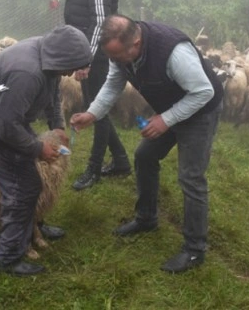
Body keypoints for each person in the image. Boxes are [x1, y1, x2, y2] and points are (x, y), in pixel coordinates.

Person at [70, 14, 224, 274]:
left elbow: (203, 91)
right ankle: (146, 218)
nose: (116, 62)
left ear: (136, 42)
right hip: (171, 108)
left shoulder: (173, 51)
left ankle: (195, 250)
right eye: (112, 57)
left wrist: (166, 120)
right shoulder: (121, 53)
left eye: (118, 56)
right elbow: (113, 84)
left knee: (191, 177)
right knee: (144, 156)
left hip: (200, 111)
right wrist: (92, 113)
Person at [0, 26, 91, 276]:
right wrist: (38, 148)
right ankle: (7, 257)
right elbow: (5, 126)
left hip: (4, 117)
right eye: (71, 65)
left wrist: (58, 126)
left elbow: (52, 96)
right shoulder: (27, 72)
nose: (72, 72)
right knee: (21, 184)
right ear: (61, 57)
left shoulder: (48, 56)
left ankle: (33, 226)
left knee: (32, 177)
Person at [64, 0, 131, 191]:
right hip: (90, 53)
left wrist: (87, 59)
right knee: (95, 107)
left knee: (97, 111)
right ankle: (122, 162)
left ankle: (94, 169)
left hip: (98, 55)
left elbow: (102, 23)